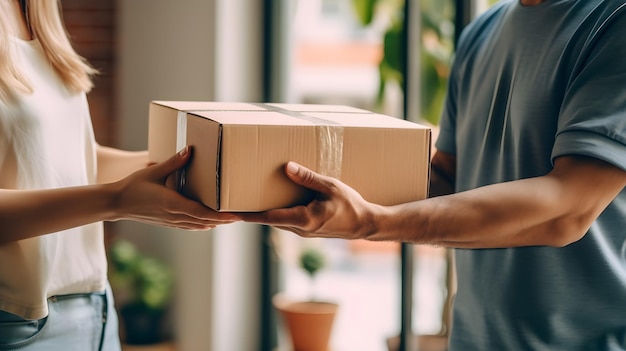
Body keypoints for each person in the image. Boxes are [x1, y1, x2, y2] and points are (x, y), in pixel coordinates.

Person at [240, 0, 626, 349]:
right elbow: (447, 178)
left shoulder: (614, 21)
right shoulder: (482, 32)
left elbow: (569, 209)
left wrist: (371, 222)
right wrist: (245, 187)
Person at [0, 1, 235, 350]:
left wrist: (179, 163)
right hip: (20, 324)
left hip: (97, 310)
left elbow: (70, 159)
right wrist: (116, 200)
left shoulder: (38, 12)